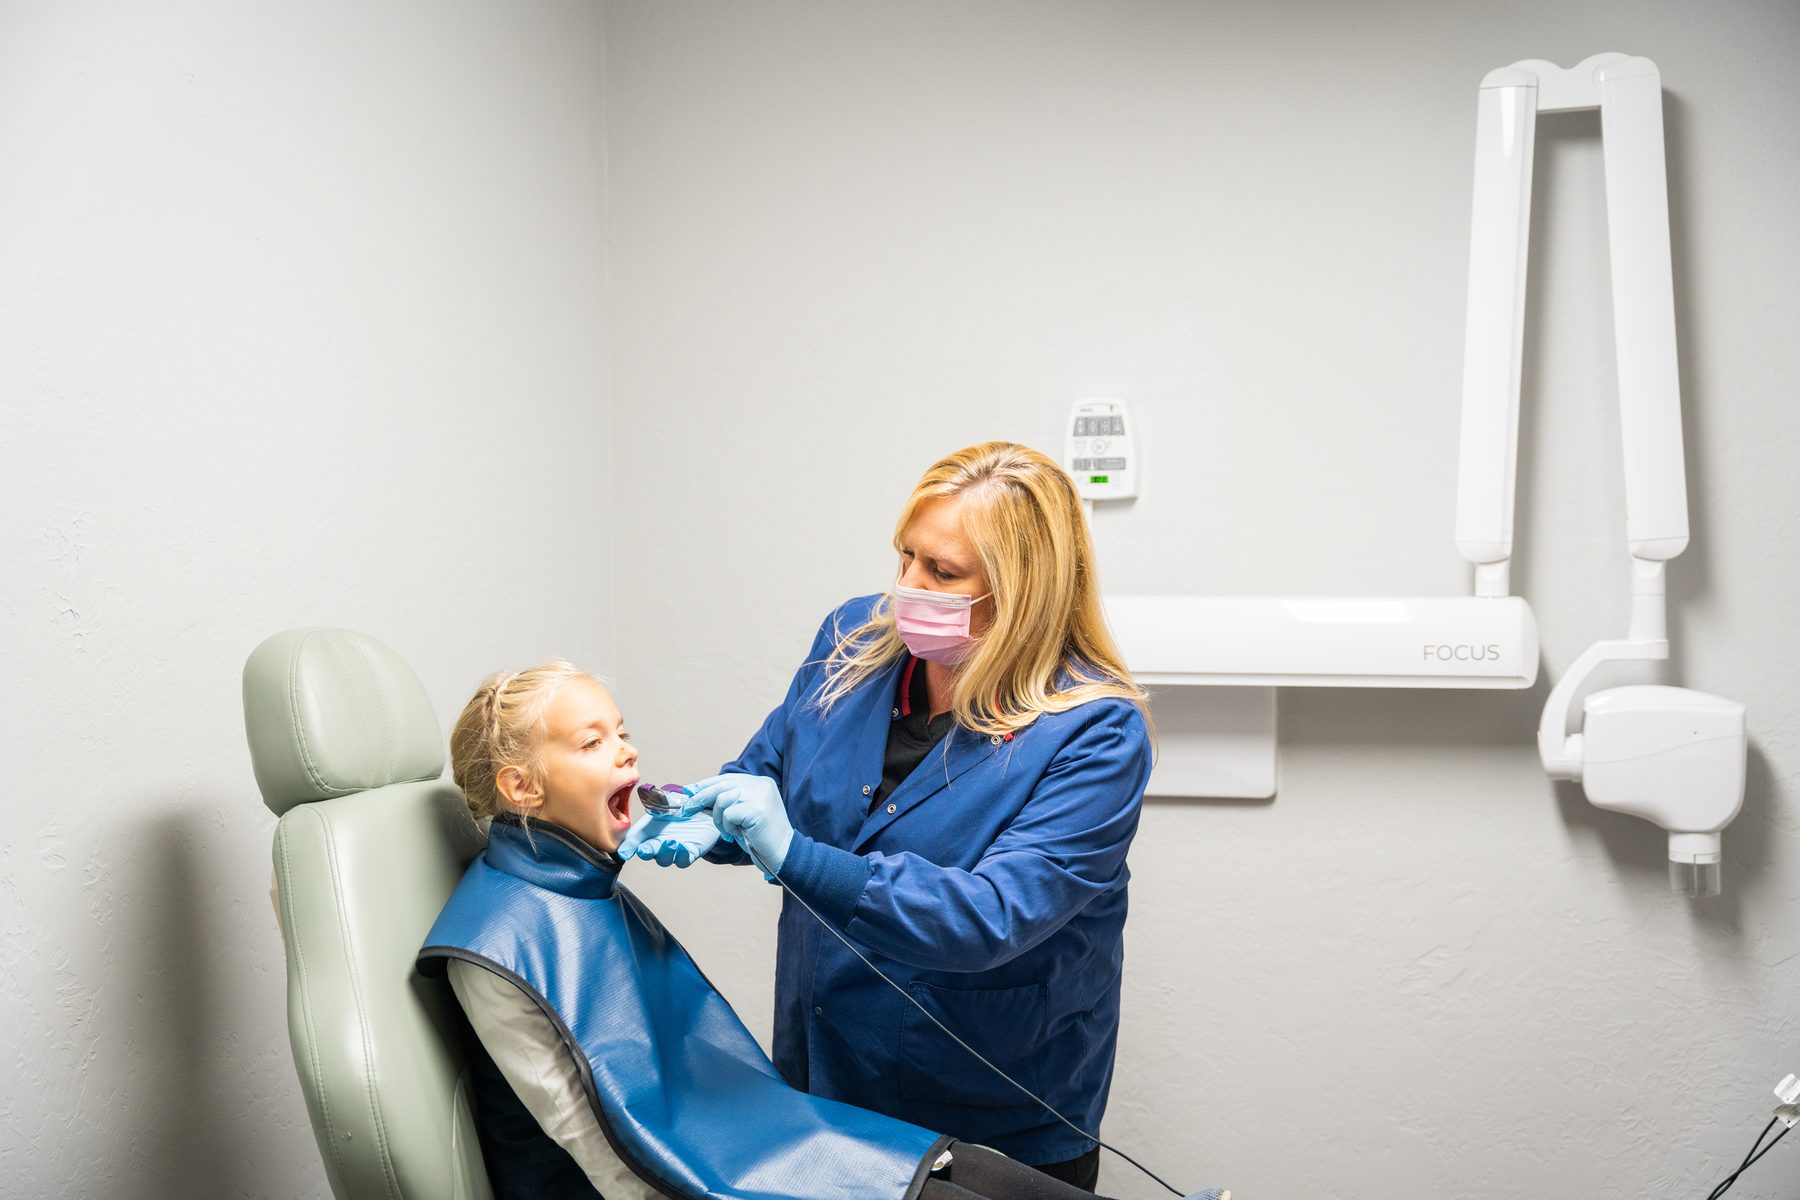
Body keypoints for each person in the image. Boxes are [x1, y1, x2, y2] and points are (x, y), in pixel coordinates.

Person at [419, 662, 1225, 1200]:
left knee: (971, 1169)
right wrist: (740, 826)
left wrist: (783, 846)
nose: (628, 751)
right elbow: (603, 1144)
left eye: (621, 731)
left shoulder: (578, 886)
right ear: (522, 786)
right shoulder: (505, 938)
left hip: (773, 1129)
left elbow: (992, 913)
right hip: (711, 1167)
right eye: (594, 743)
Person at [624, 441, 1155, 1193]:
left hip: (989, 1117)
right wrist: (715, 816)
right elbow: (771, 770)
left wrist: (793, 855)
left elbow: (990, 918)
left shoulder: (1094, 732)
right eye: (905, 556)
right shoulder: (856, 641)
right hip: (825, 1085)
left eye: (942, 572)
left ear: (1023, 589)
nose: (908, 587)